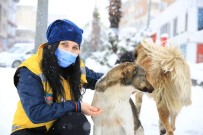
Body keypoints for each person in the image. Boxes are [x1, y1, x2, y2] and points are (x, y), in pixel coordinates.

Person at [11, 19, 103, 135]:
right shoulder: (30, 69)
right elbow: (36, 113)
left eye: (75, 47)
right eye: (64, 45)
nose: (69, 51)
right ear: (52, 45)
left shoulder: (76, 68)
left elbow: (101, 81)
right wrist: (76, 106)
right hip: (29, 130)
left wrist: (126, 80)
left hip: (57, 127)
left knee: (77, 121)